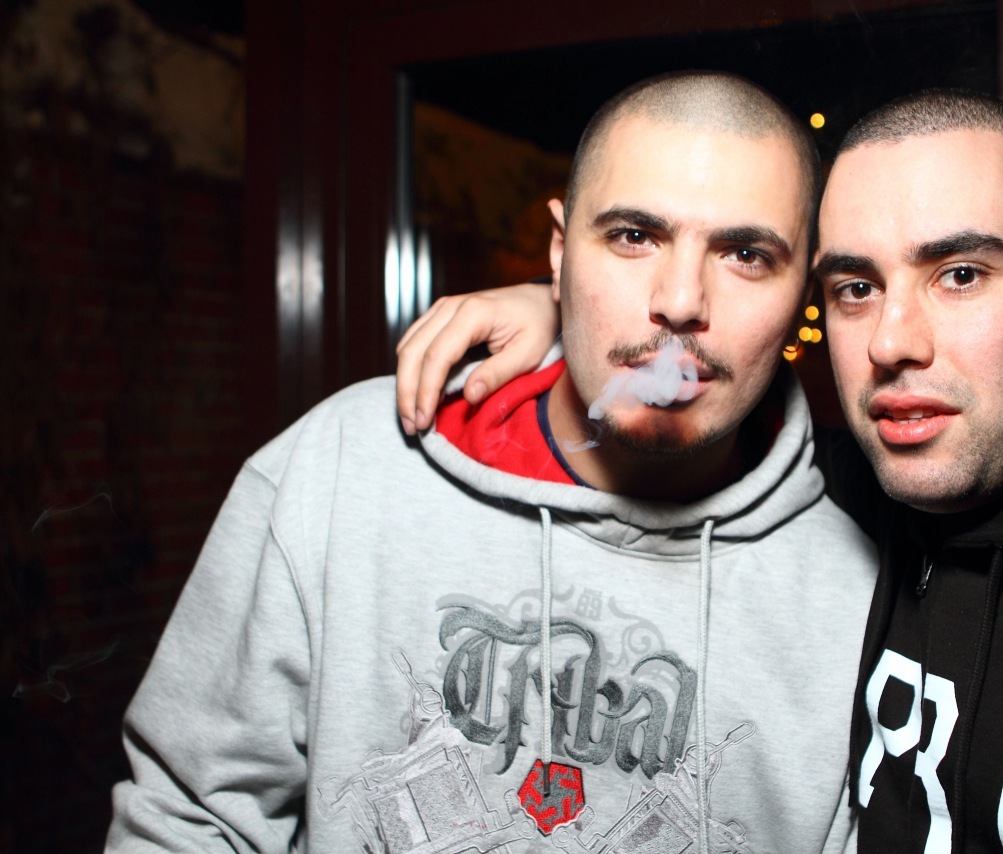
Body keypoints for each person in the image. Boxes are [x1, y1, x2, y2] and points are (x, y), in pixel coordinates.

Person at [396, 89, 1003, 853]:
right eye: (856, 288)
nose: (893, 342)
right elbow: (686, 390)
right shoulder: (853, 494)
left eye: (960, 274)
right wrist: (561, 311)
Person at [106, 71, 878, 853]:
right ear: (559, 251)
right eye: (633, 236)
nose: (680, 300)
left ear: (801, 293)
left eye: (746, 254)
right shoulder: (343, 471)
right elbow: (187, 819)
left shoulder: (856, 596)